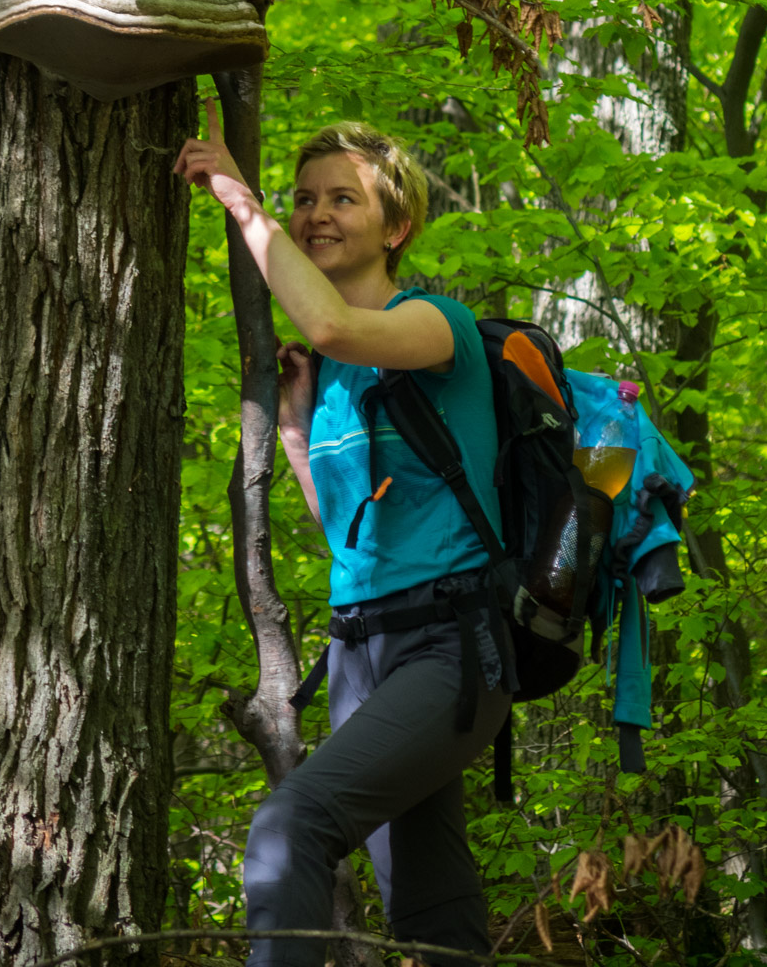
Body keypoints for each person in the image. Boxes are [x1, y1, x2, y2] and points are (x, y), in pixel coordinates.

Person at [174, 104, 512, 967]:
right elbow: (349, 534)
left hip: (449, 644)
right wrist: (294, 429)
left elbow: (331, 323)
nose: (315, 213)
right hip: (361, 650)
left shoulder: (440, 327)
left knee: (293, 822)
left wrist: (241, 206)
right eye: (303, 198)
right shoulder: (326, 379)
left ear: (396, 225)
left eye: (342, 200)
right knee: (429, 902)